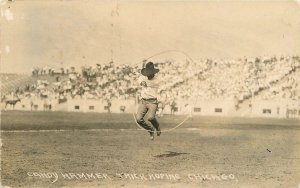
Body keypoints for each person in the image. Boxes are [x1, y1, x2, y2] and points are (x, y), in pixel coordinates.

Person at [136, 62, 161, 140]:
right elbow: (139, 79)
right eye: (147, 73)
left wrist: (143, 82)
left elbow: (149, 83)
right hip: (143, 101)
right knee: (138, 119)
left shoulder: (156, 80)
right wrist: (141, 81)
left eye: (150, 73)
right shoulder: (143, 77)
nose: (148, 75)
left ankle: (157, 126)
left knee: (151, 118)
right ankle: (150, 129)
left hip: (152, 102)